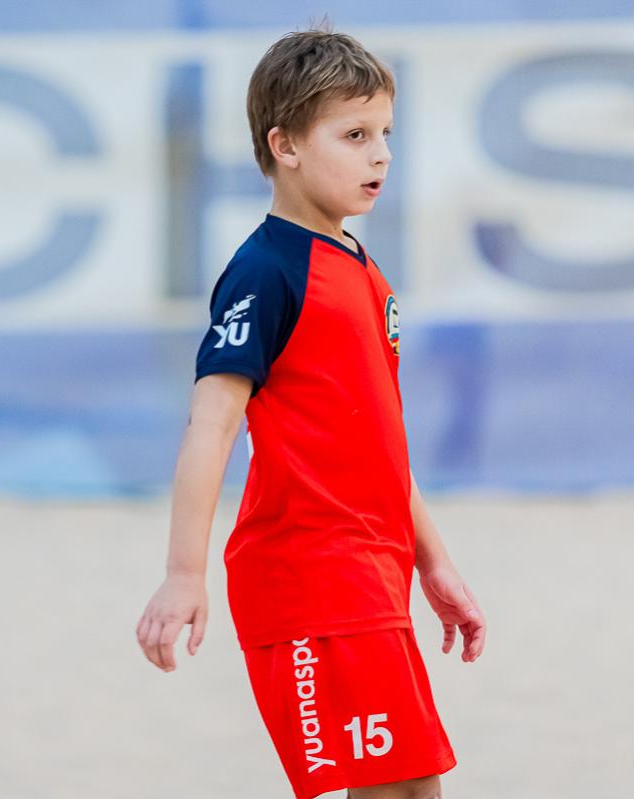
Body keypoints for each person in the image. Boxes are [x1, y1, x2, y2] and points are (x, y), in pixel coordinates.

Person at [135, 23, 486, 799]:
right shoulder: (266, 271)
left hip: (373, 570)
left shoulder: (360, 265)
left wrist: (432, 561)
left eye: (385, 133)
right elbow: (210, 426)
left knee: (409, 788)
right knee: (398, 787)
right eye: (354, 135)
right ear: (284, 145)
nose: (380, 155)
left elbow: (377, 441)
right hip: (313, 575)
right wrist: (182, 574)